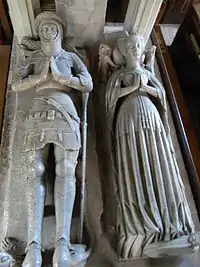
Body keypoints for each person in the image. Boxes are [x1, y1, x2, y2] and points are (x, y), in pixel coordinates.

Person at [11, 11, 93, 267]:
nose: (47, 32)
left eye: (51, 27)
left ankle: (62, 245)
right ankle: (33, 248)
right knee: (34, 170)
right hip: (37, 109)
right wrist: (38, 77)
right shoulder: (35, 57)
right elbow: (16, 83)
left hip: (65, 109)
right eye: (43, 29)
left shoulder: (70, 57)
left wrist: (63, 78)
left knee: (66, 170)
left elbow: (88, 83)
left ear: (59, 30)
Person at [105, 33, 195, 259]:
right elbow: (110, 99)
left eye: (138, 45)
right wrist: (132, 87)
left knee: (159, 161)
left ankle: (172, 224)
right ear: (124, 51)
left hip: (151, 116)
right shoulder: (119, 74)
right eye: (131, 46)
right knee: (135, 165)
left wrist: (146, 88)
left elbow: (162, 96)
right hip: (128, 117)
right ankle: (142, 228)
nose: (135, 49)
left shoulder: (147, 73)